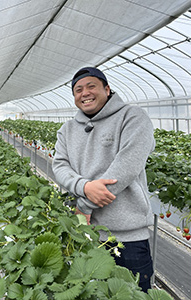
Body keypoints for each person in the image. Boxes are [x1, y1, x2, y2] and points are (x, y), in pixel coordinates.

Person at [52, 67, 155, 292]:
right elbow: (59, 165)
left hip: (127, 239)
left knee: (133, 294)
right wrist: (85, 187)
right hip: (83, 235)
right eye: (78, 89)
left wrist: (85, 204)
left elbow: (126, 166)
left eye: (91, 86)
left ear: (107, 89)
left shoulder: (133, 117)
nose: (85, 93)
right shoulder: (67, 129)